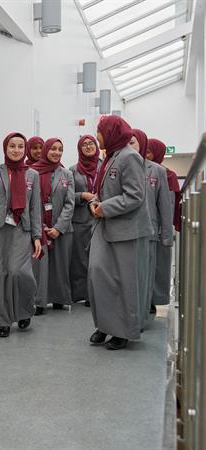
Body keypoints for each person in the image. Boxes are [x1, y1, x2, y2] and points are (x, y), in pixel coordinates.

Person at [88, 116, 153, 350]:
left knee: (124, 283)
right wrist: (95, 202)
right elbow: (102, 190)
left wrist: (104, 208)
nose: (97, 136)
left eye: (99, 131)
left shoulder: (129, 157)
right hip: (105, 226)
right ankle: (105, 325)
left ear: (111, 132)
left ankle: (123, 331)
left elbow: (135, 195)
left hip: (126, 230)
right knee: (98, 275)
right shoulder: (110, 157)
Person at [0, 132, 43, 337]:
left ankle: (25, 310)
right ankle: (3, 320)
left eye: (20, 146)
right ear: (5, 148)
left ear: (25, 149)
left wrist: (37, 236)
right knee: (0, 275)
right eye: (12, 146)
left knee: (19, 272)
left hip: (22, 230)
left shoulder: (33, 175)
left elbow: (35, 208)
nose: (16, 150)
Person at [129, 130, 172, 327]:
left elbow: (164, 206)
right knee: (128, 279)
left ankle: (141, 319)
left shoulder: (157, 171)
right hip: (125, 232)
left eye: (133, 142)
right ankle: (128, 318)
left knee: (145, 279)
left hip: (149, 233)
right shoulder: (120, 166)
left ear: (142, 144)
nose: (129, 146)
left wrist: (166, 236)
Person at [31, 138, 75, 314]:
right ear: (46, 150)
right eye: (53, 149)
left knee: (60, 266)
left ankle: (59, 298)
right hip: (39, 227)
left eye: (60, 149)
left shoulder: (67, 174)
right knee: (39, 266)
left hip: (61, 228)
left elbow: (69, 203)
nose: (57, 152)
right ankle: (39, 302)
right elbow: (30, 202)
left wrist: (58, 227)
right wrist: (39, 225)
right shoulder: (32, 172)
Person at [69, 135, 100, 307]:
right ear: (79, 149)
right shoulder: (73, 171)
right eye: (84, 145)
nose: (88, 147)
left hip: (102, 219)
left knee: (99, 259)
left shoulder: (105, 166)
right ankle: (83, 294)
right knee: (80, 260)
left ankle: (98, 293)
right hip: (80, 220)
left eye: (91, 143)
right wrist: (82, 195)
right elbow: (67, 196)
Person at [146, 138, 177, 308]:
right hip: (146, 228)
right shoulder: (141, 171)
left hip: (159, 228)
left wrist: (163, 230)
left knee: (159, 267)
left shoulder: (167, 175)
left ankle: (155, 300)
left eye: (149, 152)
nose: (145, 155)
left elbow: (168, 206)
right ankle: (146, 299)